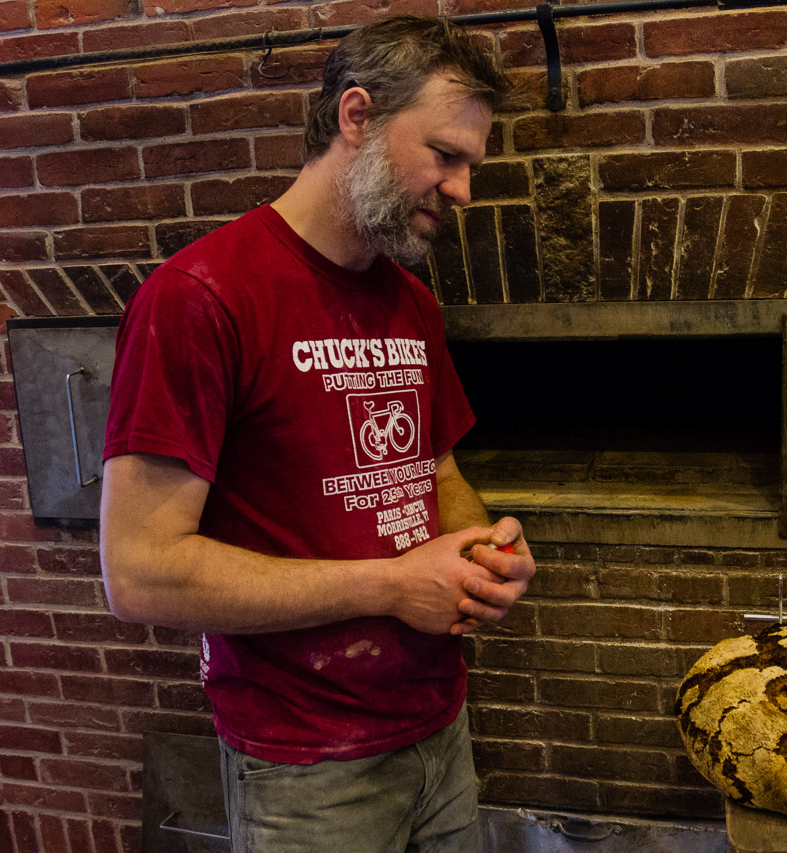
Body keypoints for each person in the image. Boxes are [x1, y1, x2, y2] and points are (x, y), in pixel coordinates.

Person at [98, 16, 534, 852]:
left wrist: (480, 549)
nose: (463, 190)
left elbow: (432, 470)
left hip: (439, 727)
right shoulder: (201, 295)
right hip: (304, 767)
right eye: (446, 154)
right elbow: (140, 572)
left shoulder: (410, 302)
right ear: (357, 116)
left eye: (472, 164)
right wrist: (390, 585)